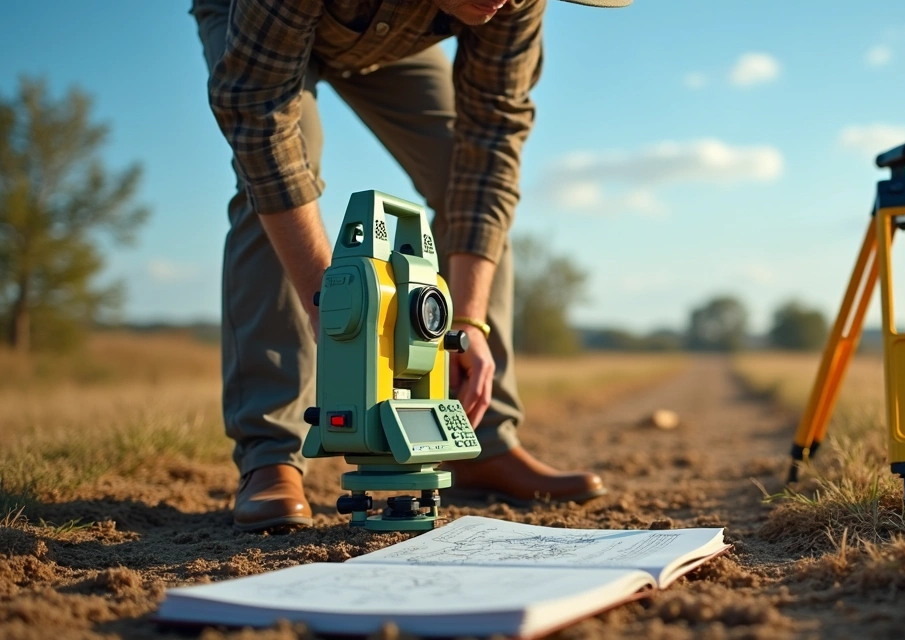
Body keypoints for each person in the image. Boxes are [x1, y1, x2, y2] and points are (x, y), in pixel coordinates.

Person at [189, 0, 629, 533]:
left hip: (394, 40)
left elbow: (490, 142)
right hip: (262, 24)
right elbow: (258, 117)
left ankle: (480, 439)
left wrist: (464, 324)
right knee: (281, 176)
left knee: (468, 185)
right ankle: (272, 456)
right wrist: (339, 311)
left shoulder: (511, 2)